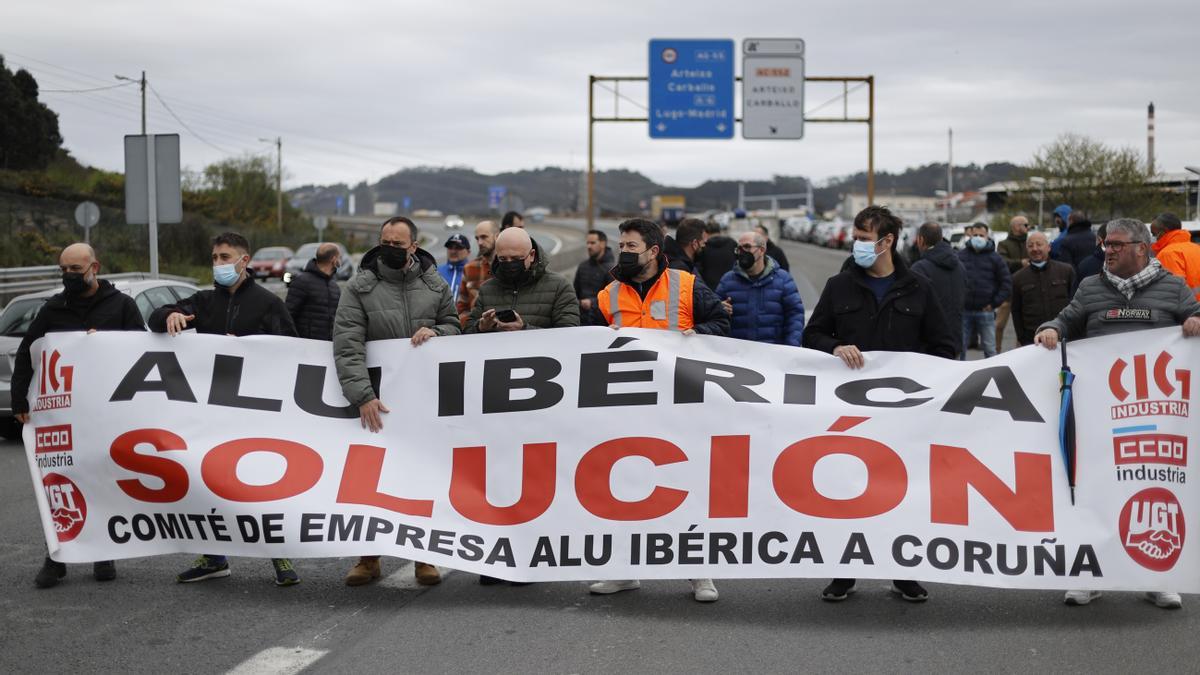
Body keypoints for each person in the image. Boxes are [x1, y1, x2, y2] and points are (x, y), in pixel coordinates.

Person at [1035, 218, 1200, 610]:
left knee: (1153, 492)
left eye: (1117, 245)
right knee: (1094, 492)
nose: (1107, 250)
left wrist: (1195, 320)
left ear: (1142, 249)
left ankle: (1157, 578)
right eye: (1106, 244)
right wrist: (1051, 329)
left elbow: (1195, 312)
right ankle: (1090, 576)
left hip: (1155, 417)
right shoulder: (1091, 287)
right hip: (1100, 415)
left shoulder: (1173, 287)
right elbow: (1067, 318)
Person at [802, 205, 956, 603]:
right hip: (848, 413)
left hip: (902, 415)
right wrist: (835, 346)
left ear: (887, 241)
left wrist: (915, 372)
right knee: (846, 486)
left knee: (899, 493)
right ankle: (844, 571)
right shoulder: (840, 286)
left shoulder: (918, 288)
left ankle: (902, 571)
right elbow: (812, 335)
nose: (856, 245)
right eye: (854, 237)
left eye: (864, 238)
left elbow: (945, 347)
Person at [149, 232, 300, 586]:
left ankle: (279, 556)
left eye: (224, 257)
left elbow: (292, 348)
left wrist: (251, 348)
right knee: (209, 482)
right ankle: (213, 558)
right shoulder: (203, 302)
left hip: (255, 412)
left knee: (260, 484)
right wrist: (170, 314)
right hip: (212, 412)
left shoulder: (267, 303)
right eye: (214, 257)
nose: (218, 264)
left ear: (243, 261)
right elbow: (156, 316)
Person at [590, 218, 729, 603]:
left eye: (631, 246)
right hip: (626, 406)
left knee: (683, 488)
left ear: (654, 251)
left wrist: (700, 336)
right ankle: (623, 571)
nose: (624, 252)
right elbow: (584, 345)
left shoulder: (685, 284)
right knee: (624, 487)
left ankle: (699, 573)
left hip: (678, 405)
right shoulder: (609, 294)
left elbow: (720, 319)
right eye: (622, 245)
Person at [332, 216, 461, 588]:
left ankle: (425, 556)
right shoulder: (359, 287)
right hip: (378, 401)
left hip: (424, 400)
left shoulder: (434, 285)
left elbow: (455, 327)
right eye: (384, 241)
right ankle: (368, 558)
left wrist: (437, 331)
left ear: (414, 248)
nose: (389, 248)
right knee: (371, 479)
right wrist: (362, 395)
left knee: (422, 477)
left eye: (397, 243)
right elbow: (347, 344)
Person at [13, 243, 144, 589]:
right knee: (58, 485)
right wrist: (19, 399)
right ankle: (56, 558)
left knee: (102, 480)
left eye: (75, 269)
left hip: (107, 413)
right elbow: (28, 352)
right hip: (65, 415)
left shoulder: (122, 306)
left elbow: (143, 352)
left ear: (94, 267)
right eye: (64, 270)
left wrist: (107, 343)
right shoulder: (53, 309)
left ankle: (103, 552)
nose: (69, 276)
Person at [464, 228, 579, 333]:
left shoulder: (559, 287)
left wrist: (524, 329)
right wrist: (481, 327)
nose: (509, 263)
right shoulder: (487, 289)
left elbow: (568, 336)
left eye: (516, 258)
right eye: (503, 259)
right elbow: (467, 332)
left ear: (532, 255)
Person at [715, 231, 804, 345]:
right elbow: (713, 313)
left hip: (773, 353)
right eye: (739, 248)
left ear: (761, 250)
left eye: (747, 247)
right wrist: (719, 308)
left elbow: (795, 316)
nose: (742, 252)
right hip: (738, 354)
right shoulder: (728, 280)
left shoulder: (783, 279)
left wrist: (791, 347)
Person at [910, 222, 966, 358]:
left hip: (929, 345)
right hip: (955, 340)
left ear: (921, 240)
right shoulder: (960, 266)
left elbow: (913, 307)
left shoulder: (919, 268)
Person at [1009, 231, 1075, 346]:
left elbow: (1075, 304)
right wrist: (1022, 338)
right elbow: (1016, 311)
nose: (1035, 249)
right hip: (1033, 341)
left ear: (1048, 247)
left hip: (1063, 337)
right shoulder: (1018, 278)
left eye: (1039, 244)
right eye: (1030, 246)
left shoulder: (1066, 271)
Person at [957, 222, 1011, 358]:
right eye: (975, 235)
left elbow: (1006, 284)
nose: (978, 237)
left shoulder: (996, 258)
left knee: (990, 350)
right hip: (964, 311)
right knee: (959, 349)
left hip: (986, 312)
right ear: (970, 235)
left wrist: (993, 304)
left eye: (981, 235)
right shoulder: (960, 256)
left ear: (987, 236)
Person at [285, 242, 342, 340]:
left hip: (327, 347)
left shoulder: (334, 287)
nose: (340, 260)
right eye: (339, 257)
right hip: (304, 347)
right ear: (333, 259)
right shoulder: (301, 282)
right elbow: (287, 316)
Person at [995, 216, 1030, 351]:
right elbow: (1002, 261)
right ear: (1016, 226)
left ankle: (1019, 353)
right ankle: (996, 350)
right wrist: (1020, 262)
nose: (1027, 227)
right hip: (1008, 289)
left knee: (1022, 325)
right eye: (1025, 225)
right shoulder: (1004, 244)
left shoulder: (1028, 243)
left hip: (1026, 289)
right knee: (999, 324)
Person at [1150, 212, 1200, 301]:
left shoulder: (1168, 254)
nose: (1154, 238)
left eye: (1154, 234)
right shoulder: (1196, 248)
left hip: (1188, 311)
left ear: (1163, 232)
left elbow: (1173, 292)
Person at [458, 220, 498, 326]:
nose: (480, 242)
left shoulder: (508, 265)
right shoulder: (469, 268)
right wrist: (472, 327)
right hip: (475, 333)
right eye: (477, 238)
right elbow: (462, 307)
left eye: (484, 237)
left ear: (497, 236)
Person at [573, 229, 614, 326]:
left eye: (592, 243)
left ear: (603, 244)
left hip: (601, 322)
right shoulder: (583, 266)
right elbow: (574, 292)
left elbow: (613, 297)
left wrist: (592, 302)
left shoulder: (612, 269)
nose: (589, 246)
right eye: (587, 243)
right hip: (581, 320)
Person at [698, 221, 737, 289]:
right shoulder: (732, 243)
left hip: (710, 288)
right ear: (720, 231)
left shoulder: (703, 247)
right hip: (730, 286)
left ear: (706, 233)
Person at [438, 233, 471, 305]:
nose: (453, 251)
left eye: (458, 248)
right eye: (450, 247)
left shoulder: (474, 273)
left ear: (468, 252)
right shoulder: (436, 272)